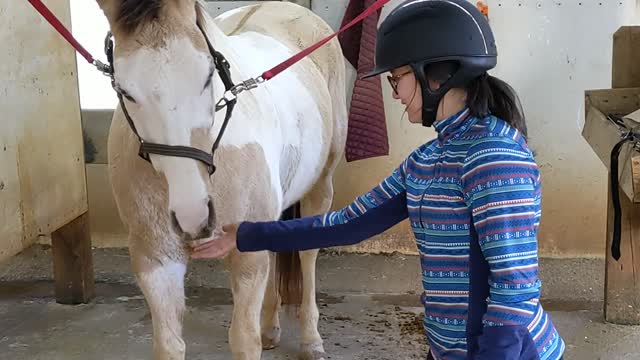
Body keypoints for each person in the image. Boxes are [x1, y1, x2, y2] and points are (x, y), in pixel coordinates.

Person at [191, 0, 565, 359]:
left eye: (397, 78)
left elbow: (514, 293)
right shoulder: (427, 160)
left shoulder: (494, 158)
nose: (396, 94)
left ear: (437, 74)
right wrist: (245, 235)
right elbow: (345, 225)